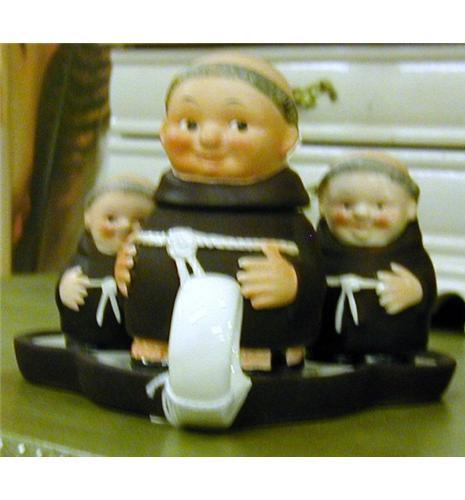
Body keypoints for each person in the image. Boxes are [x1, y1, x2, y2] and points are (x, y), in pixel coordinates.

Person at [115, 52, 326, 371]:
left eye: (239, 125)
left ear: (287, 138)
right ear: (163, 130)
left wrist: (294, 282)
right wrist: (126, 268)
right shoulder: (162, 208)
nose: (208, 138)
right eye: (189, 123)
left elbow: (316, 274)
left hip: (255, 352)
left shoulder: (289, 222)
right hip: (157, 349)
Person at [308, 152, 437, 364]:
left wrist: (416, 290)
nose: (361, 213)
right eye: (346, 205)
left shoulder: (412, 256)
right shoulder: (317, 252)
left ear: (411, 208)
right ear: (323, 205)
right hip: (327, 349)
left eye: (380, 206)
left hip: (395, 349)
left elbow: (427, 285)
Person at [56, 176, 154, 350]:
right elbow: (64, 286)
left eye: (140, 221)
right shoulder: (81, 260)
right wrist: (64, 289)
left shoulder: (149, 264)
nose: (125, 226)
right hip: (81, 340)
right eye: (111, 218)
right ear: (88, 218)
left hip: (131, 344)